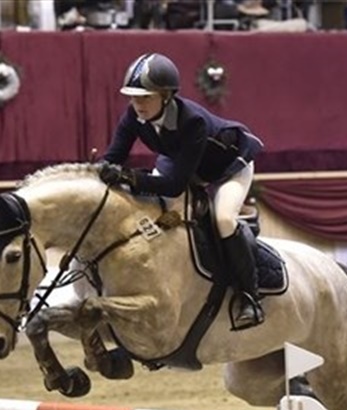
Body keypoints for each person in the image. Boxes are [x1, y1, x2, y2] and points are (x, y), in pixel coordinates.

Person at [97, 52, 266, 330]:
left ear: (166, 96)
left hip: (227, 168)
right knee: (150, 212)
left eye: (145, 97)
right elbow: (113, 158)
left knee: (223, 219)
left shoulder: (192, 121)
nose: (138, 104)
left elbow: (175, 185)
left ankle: (250, 297)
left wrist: (129, 177)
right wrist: (98, 171)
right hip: (181, 161)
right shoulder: (133, 116)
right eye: (133, 97)